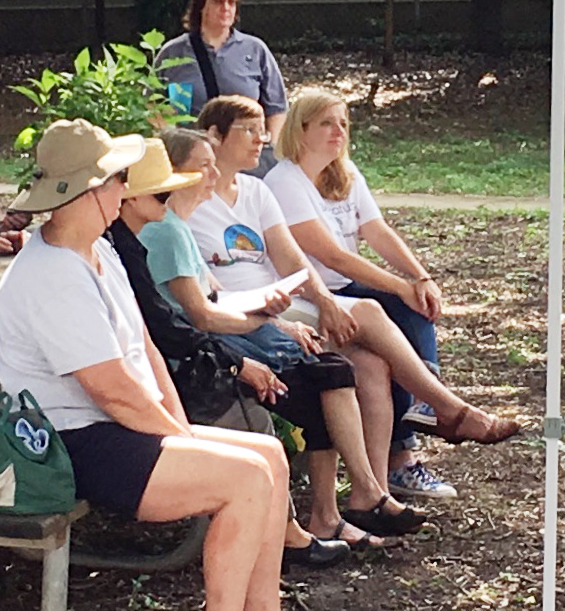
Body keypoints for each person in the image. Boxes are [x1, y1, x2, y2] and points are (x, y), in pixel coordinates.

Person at [0, 119, 336, 611]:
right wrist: (181, 440)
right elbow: (111, 392)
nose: (126, 187)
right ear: (92, 189)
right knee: (244, 476)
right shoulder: (51, 274)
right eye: (119, 177)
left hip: (113, 429)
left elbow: (144, 351)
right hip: (73, 445)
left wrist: (180, 432)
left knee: (269, 454)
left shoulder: (96, 248)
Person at [133, 129, 423, 549]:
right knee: (329, 378)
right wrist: (261, 326)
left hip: (223, 341)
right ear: (175, 175)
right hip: (204, 360)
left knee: (333, 372)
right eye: (204, 165)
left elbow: (217, 296)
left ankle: (345, 506)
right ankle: (339, 509)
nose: (215, 173)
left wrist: (278, 322)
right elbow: (199, 315)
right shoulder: (167, 233)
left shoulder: (175, 227)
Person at [267, 87, 521, 491]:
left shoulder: (344, 175)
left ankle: (423, 411)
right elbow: (332, 256)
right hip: (306, 295)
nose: (338, 132)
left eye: (344, 124)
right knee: (387, 317)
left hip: (344, 288)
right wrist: (400, 286)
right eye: (327, 123)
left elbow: (377, 231)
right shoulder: (284, 181)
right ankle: (430, 420)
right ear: (301, 129)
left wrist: (420, 279)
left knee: (415, 307)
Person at [156, 0, 290, 147]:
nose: (225, 8)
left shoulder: (255, 50)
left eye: (231, 2)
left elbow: (277, 109)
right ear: (202, 5)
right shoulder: (173, 53)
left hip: (246, 156)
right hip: (194, 157)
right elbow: (155, 109)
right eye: (218, 1)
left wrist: (270, 152)